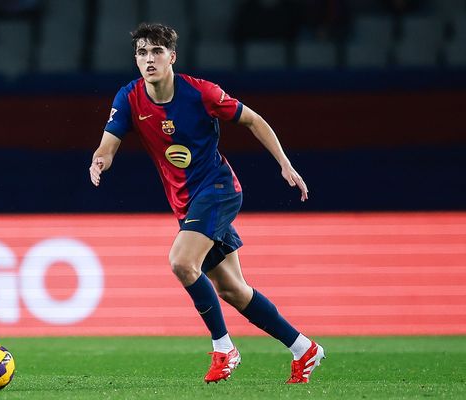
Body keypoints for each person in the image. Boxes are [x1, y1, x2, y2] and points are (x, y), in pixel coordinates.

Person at [89, 23, 325, 384]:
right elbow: (108, 145)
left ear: (172, 57)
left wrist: (284, 163)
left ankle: (224, 348)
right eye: (142, 52)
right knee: (233, 289)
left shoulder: (202, 92)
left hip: (217, 189)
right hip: (186, 203)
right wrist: (100, 160)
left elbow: (253, 120)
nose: (149, 59)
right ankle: (303, 348)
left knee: (182, 262)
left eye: (156, 52)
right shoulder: (129, 97)